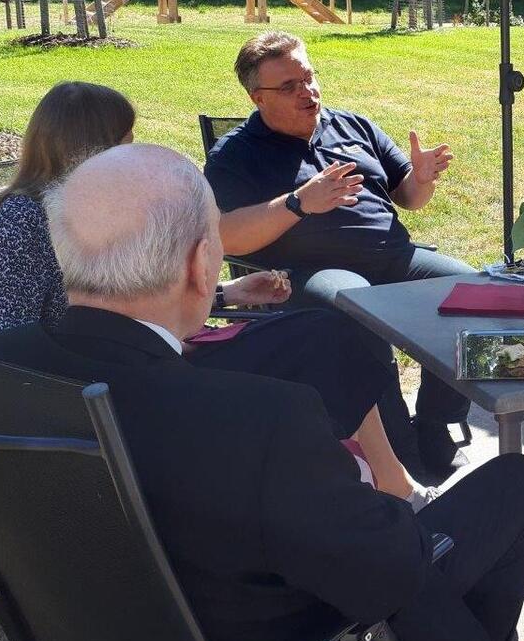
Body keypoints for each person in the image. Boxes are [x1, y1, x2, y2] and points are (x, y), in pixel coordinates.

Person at [0, 143, 524, 641]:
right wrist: (359, 487)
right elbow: (395, 569)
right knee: (517, 484)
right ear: (201, 264)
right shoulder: (260, 425)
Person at [0, 81, 435, 508]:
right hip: (124, 379)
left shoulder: (102, 208)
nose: (132, 151)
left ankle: (383, 475)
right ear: (89, 149)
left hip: (156, 349)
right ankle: (367, 483)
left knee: (326, 334)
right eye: (125, 141)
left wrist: (226, 293)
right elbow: (3, 338)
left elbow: (135, 298)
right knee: (323, 347)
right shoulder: (25, 218)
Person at [203, 31, 474, 480]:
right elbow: (226, 235)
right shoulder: (236, 154)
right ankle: (398, 449)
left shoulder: (353, 126)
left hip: (394, 257)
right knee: (359, 309)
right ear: (257, 98)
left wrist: (422, 179)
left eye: (308, 77)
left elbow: (407, 195)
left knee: (473, 292)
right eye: (288, 86)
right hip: (309, 272)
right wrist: (298, 203)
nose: (307, 92)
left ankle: (434, 422)